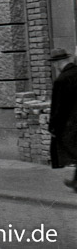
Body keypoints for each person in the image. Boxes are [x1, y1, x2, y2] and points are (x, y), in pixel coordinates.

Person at [48, 48, 77, 192]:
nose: (54, 67)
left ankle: (75, 182)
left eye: (54, 64)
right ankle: (74, 182)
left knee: (71, 151)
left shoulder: (62, 80)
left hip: (70, 125)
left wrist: (53, 128)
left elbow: (58, 108)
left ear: (58, 63)